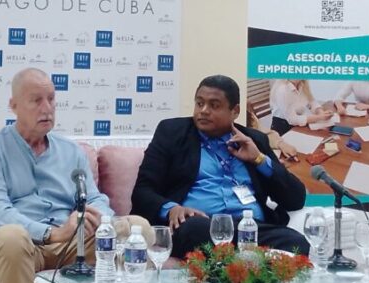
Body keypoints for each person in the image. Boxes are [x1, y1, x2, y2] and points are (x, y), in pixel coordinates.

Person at [0, 68, 150, 283]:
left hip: (72, 243)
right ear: (14, 106)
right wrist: (52, 233)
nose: (47, 108)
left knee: (138, 228)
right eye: (36, 100)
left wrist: (96, 217)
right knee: (11, 237)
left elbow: (93, 197)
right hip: (25, 246)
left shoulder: (71, 151)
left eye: (51, 99)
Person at [131, 74, 309, 259]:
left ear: (235, 111)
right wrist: (172, 209)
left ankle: (237, 263)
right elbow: (142, 190)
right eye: (199, 103)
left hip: (249, 228)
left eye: (214, 105)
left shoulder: (254, 140)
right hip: (202, 226)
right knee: (195, 229)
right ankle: (246, 263)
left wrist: (259, 159)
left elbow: (295, 199)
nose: (203, 111)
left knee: (298, 243)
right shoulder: (172, 132)